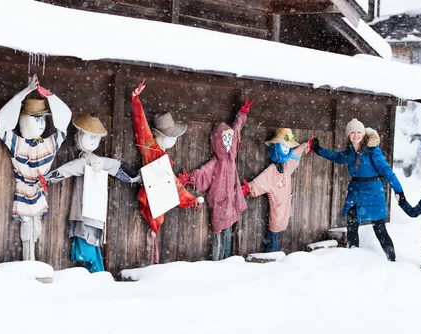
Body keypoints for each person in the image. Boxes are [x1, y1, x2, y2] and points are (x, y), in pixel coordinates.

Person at [45, 114, 140, 272]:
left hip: (94, 207)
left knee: (91, 242)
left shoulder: (99, 161)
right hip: (85, 208)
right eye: (90, 137)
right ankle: (96, 273)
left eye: (96, 138)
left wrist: (134, 177)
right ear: (79, 136)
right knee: (88, 242)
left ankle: (97, 273)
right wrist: (49, 178)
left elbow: (115, 166)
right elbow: (70, 168)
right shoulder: (85, 162)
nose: (94, 141)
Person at [0, 75, 71, 261]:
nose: (41, 123)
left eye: (43, 119)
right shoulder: (17, 144)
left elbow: (64, 122)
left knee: (35, 231)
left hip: (39, 191)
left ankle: (33, 263)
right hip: (22, 189)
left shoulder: (49, 144)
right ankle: (27, 262)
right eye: (35, 119)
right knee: (26, 232)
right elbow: (2, 123)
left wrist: (51, 97)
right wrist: (24, 93)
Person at [131, 80, 202, 265]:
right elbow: (142, 127)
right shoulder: (152, 151)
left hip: (155, 197)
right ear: (164, 136)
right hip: (153, 199)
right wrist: (135, 101)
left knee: (152, 240)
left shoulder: (155, 152)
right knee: (150, 241)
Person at [310, 118, 402, 261]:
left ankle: (392, 260)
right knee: (352, 224)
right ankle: (354, 257)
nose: (356, 135)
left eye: (359, 132)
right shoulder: (350, 151)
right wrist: (318, 149)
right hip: (356, 191)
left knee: (379, 229)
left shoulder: (373, 151)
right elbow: (337, 157)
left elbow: (386, 171)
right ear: (348, 135)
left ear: (363, 134)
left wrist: (399, 190)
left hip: (373, 192)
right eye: (352, 132)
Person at [178, 98, 253, 261]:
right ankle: (216, 263)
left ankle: (226, 260)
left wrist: (242, 114)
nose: (227, 143)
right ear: (217, 140)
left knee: (227, 234)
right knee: (218, 234)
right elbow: (204, 172)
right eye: (223, 140)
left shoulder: (231, 157)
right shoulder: (216, 162)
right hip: (219, 202)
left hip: (230, 200)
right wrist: (190, 178)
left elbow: (236, 128)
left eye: (229, 140)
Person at [240, 128, 310, 253]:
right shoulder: (271, 171)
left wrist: (304, 146)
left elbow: (294, 156)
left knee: (276, 234)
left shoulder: (287, 166)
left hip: (285, 207)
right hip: (276, 210)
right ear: (276, 147)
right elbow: (259, 182)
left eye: (287, 147)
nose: (286, 149)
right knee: (273, 235)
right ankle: (272, 257)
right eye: (283, 146)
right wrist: (247, 189)